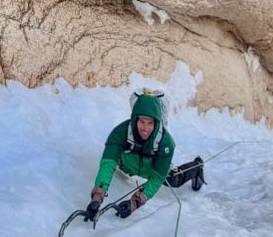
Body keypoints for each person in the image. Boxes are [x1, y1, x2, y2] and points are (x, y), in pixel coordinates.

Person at [86, 89, 205, 219]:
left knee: (174, 180)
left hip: (151, 169)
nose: (145, 128)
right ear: (135, 119)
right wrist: (98, 195)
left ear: (156, 123)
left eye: (150, 123)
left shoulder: (166, 143)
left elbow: (158, 178)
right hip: (126, 164)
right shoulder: (120, 133)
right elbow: (108, 164)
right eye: (142, 122)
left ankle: (197, 167)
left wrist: (135, 202)